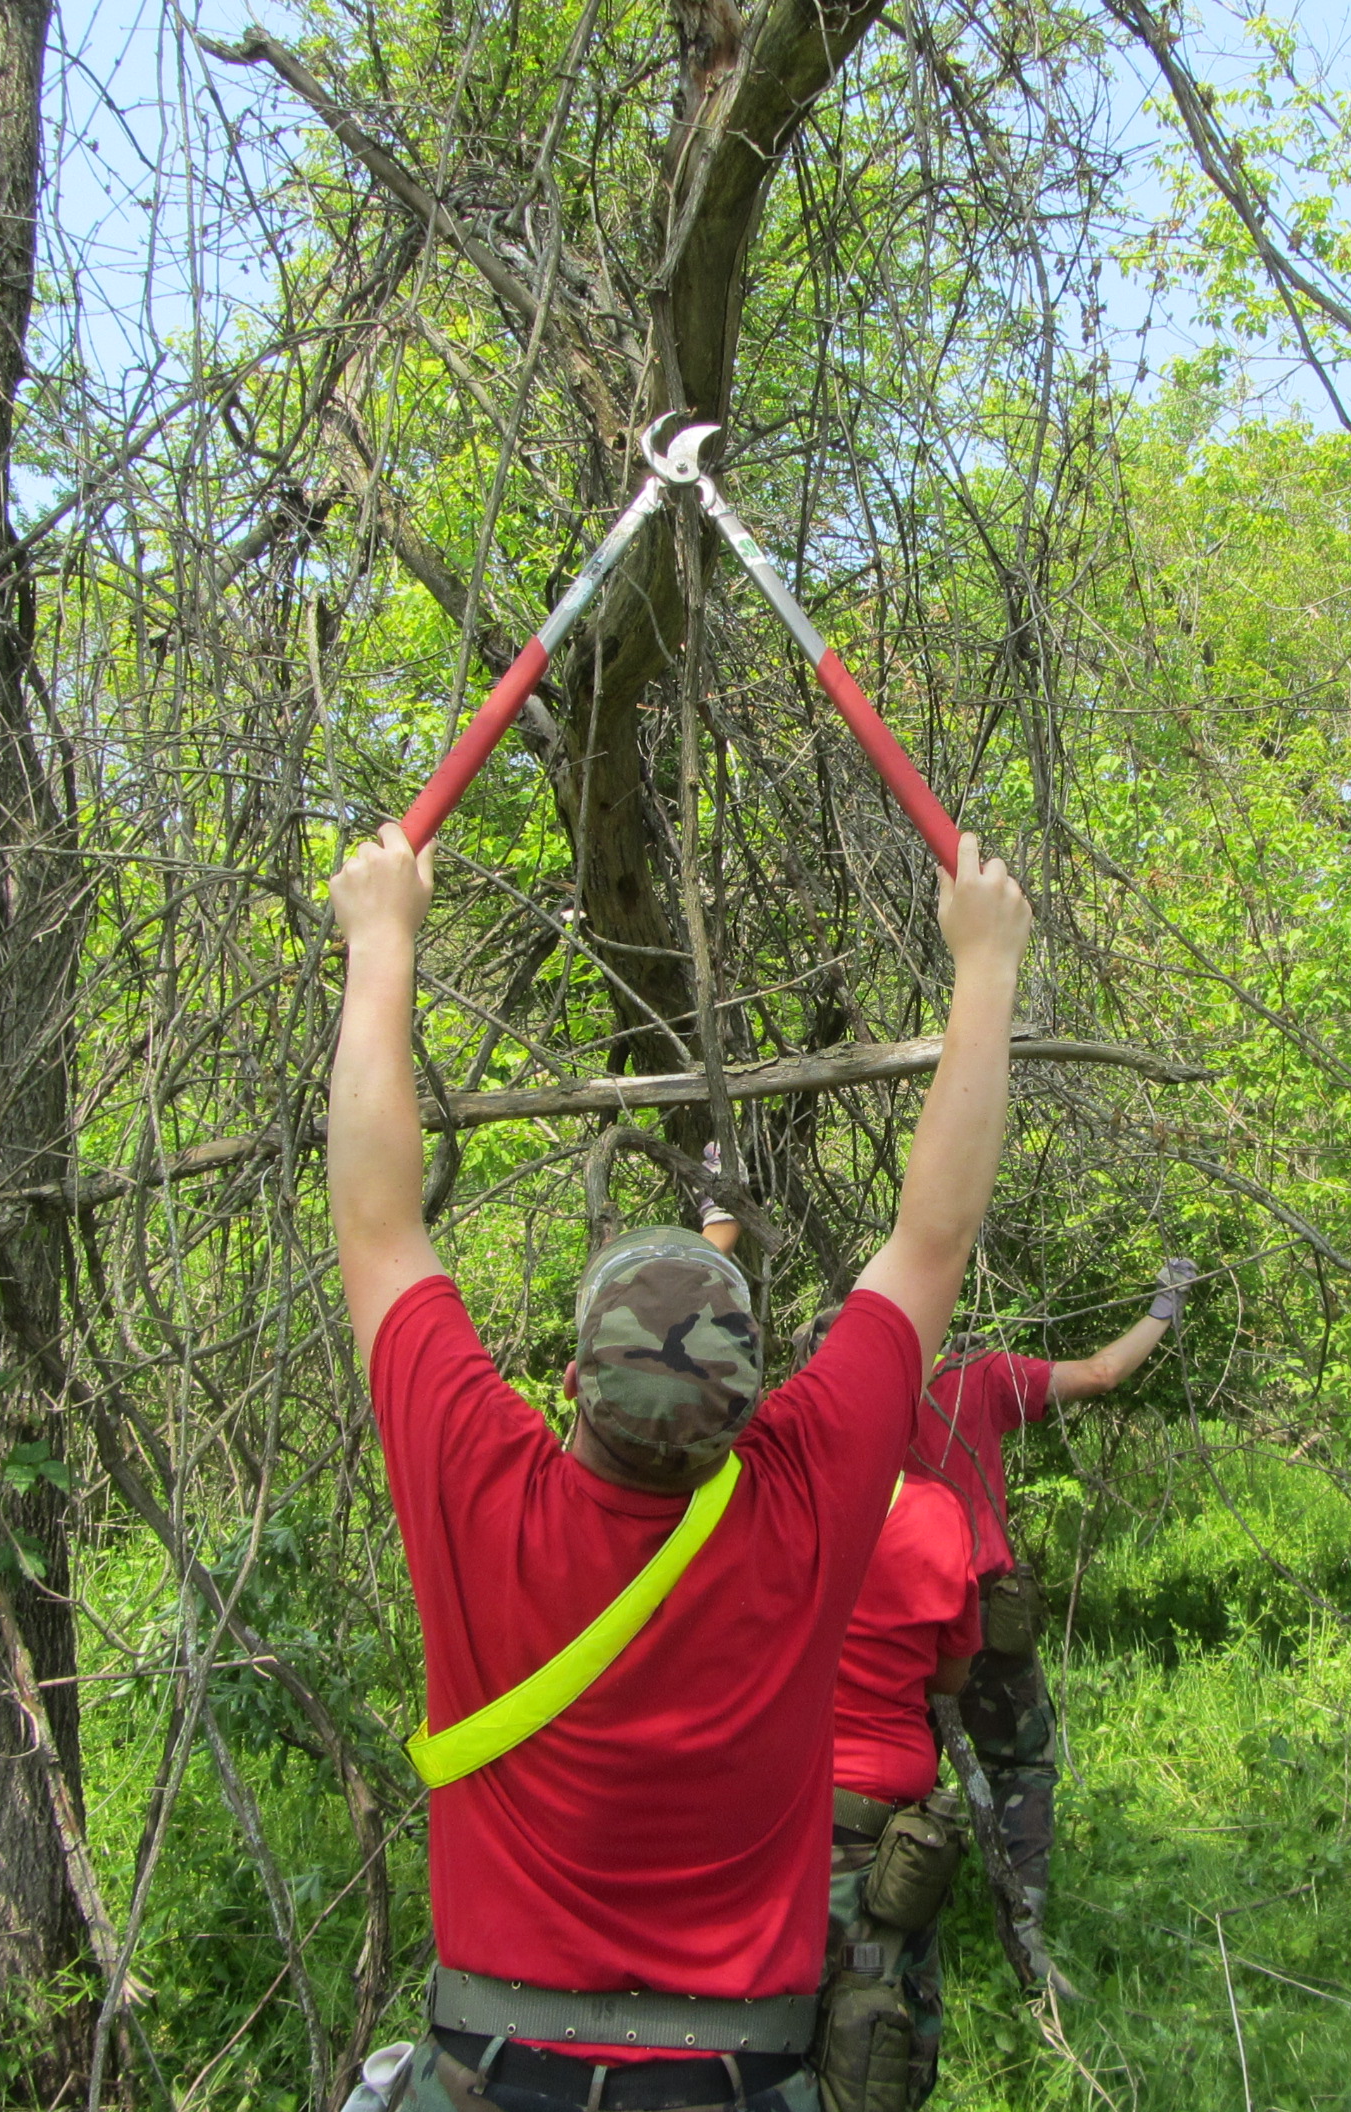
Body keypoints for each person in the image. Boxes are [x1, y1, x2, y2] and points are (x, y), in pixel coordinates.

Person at [327, 820, 1032, 2112]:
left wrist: (384, 940)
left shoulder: (482, 1490)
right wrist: (984, 967)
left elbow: (377, 1217)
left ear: (566, 1386)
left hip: (496, 2074)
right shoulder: (809, 1496)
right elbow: (933, 1240)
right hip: (740, 2078)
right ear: (758, 1406)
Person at [899, 1257, 1201, 1925]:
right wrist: (1164, 1306)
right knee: (1023, 1761)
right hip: (977, 1600)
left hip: (887, 1611)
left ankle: (896, 1907)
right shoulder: (977, 1374)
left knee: (892, 1763)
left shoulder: (856, 1379)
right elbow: (1101, 1373)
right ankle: (1024, 1916)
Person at [818, 1471, 982, 2110]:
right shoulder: (934, 1513)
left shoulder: (775, 1488)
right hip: (871, 1852)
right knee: (870, 2057)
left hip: (764, 1829)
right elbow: (950, 1675)